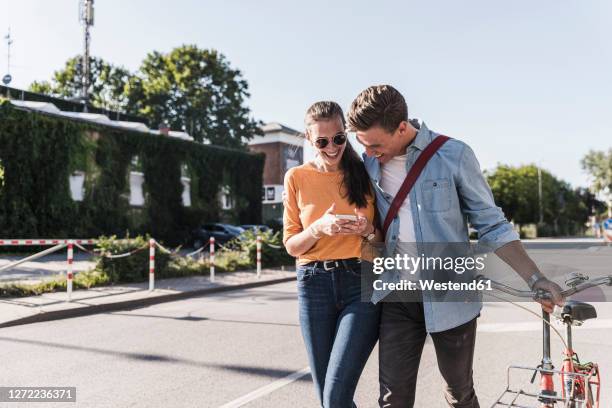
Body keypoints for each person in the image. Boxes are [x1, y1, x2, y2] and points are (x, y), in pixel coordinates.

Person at [346, 85, 564, 408]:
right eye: (364, 146)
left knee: (459, 394)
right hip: (397, 298)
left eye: (376, 145)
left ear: (402, 128)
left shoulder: (453, 155)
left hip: (451, 294)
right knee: (392, 400)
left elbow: (492, 224)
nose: (371, 153)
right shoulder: (369, 164)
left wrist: (535, 278)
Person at [283, 101, 381, 408]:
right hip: (313, 286)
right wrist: (318, 229)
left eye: (339, 138)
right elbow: (291, 246)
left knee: (335, 398)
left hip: (360, 284)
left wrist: (366, 230)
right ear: (309, 141)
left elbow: (380, 247)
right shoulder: (296, 177)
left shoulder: (364, 174)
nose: (332, 147)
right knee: (329, 400)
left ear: (346, 135)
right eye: (322, 141)